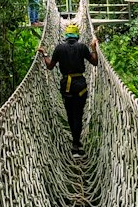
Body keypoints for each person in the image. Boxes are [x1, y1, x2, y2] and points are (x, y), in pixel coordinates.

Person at [42, 23, 98, 153]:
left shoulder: (59, 48)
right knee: (78, 114)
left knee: (70, 114)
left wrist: (44, 54)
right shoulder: (82, 47)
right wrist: (93, 48)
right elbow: (94, 62)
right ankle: (76, 143)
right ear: (77, 36)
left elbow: (50, 66)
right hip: (80, 86)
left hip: (66, 86)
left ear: (66, 36)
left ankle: (75, 142)